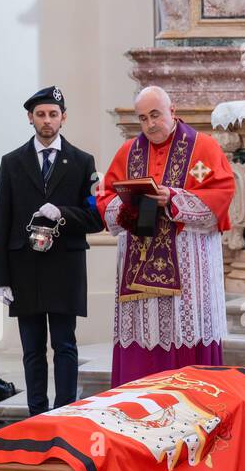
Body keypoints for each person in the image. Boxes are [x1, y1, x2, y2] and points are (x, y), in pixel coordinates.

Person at [94, 86, 234, 387]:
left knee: (186, 336)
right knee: (143, 341)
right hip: (138, 271)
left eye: (155, 115)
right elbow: (105, 198)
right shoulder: (129, 151)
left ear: (172, 111)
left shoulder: (203, 147)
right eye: (143, 118)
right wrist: (128, 202)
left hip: (188, 272)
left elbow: (221, 196)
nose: (150, 124)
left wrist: (171, 198)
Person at [0, 85, 102, 415]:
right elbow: (2, 220)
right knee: (32, 347)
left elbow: (96, 216)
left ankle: (65, 411)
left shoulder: (83, 162)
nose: (47, 120)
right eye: (40, 114)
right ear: (30, 118)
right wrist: (0, 277)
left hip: (64, 266)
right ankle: (37, 413)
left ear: (63, 118)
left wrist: (64, 213)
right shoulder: (12, 162)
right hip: (24, 266)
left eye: (53, 114)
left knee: (65, 344)